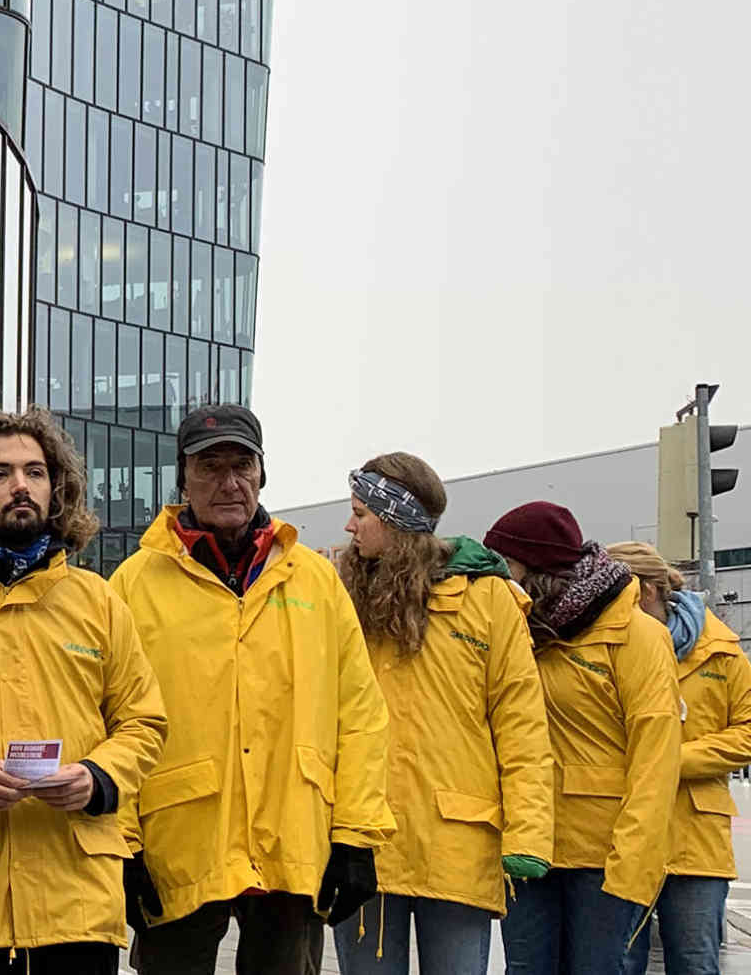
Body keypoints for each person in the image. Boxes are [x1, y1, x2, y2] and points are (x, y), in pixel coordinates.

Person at [109, 404, 394, 975]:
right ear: (182, 477)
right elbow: (109, 717)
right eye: (210, 467)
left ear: (262, 473)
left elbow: (359, 716)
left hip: (292, 842)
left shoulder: (314, 579)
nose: (229, 482)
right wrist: (122, 844)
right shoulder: (131, 585)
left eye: (242, 465)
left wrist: (356, 837)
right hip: (178, 845)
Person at [0, 408, 167, 975]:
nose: (20, 486)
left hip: (76, 898)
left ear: (57, 487)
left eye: (35, 472)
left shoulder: (98, 602)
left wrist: (98, 777)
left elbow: (144, 722)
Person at [333, 454, 553, 975]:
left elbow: (521, 726)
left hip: (457, 847)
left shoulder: (490, 600)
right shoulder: (345, 599)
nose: (349, 525)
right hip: (367, 847)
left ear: (396, 520)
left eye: (361, 512)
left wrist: (528, 835)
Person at [483, 502, 679, 975]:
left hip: (603, 859)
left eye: (504, 565)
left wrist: (631, 868)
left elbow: (656, 761)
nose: (495, 579)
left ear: (538, 567)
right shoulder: (516, 630)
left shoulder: (637, 636)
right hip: (528, 847)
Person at [607, 542, 751, 975]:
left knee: (694, 963)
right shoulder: (608, 644)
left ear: (648, 591)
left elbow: (747, 731)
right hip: (621, 834)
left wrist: (671, 758)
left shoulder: (722, 651)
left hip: (696, 840)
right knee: (617, 962)